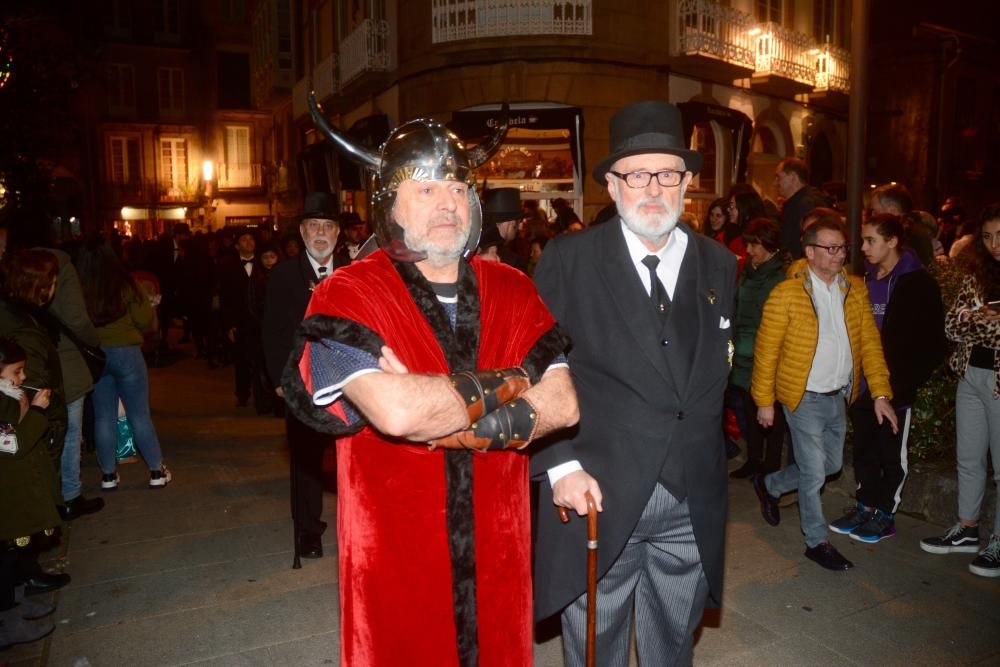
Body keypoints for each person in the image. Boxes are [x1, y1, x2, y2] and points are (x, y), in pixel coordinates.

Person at [285, 100, 578, 664]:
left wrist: (443, 412)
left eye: (457, 187)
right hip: (396, 564)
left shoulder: (511, 288)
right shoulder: (346, 295)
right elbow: (396, 413)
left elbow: (564, 403)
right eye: (424, 189)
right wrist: (521, 382)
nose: (448, 203)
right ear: (387, 203)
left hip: (500, 560)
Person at [532, 100, 737, 665]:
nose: (653, 188)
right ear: (613, 185)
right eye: (636, 174)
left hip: (690, 498)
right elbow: (535, 367)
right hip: (598, 491)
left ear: (687, 181)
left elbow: (712, 370)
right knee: (596, 647)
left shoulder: (719, 263)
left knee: (673, 645)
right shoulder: (568, 260)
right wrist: (562, 467)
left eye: (667, 173)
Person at [750, 213, 897, 571]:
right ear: (810, 251)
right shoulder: (786, 294)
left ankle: (770, 485)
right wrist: (764, 401)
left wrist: (880, 392)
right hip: (802, 397)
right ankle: (816, 542)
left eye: (842, 248)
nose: (839, 255)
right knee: (815, 473)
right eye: (830, 248)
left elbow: (870, 345)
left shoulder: (855, 290)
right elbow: (766, 350)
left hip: (838, 396)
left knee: (829, 465)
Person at [827, 214, 947, 543]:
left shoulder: (917, 283)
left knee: (892, 456)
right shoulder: (863, 279)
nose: (863, 248)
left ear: (892, 241)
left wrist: (905, 382)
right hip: (862, 385)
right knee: (865, 451)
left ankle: (886, 515)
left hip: (895, 389)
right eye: (862, 241)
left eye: (870, 241)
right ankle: (866, 506)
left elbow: (935, 343)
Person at [262, 192, 346, 559]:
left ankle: (355, 527)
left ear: (338, 233)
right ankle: (308, 531)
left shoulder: (352, 271)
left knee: (348, 457)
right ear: (302, 231)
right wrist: (280, 379)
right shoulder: (283, 274)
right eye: (314, 226)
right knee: (307, 460)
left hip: (347, 380)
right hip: (302, 380)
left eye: (328, 226)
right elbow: (272, 330)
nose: (321, 233)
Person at [920, 203, 1000, 577]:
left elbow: (972, 325)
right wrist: (983, 319)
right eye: (987, 236)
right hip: (970, 376)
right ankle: (967, 529)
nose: (994, 243)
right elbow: (953, 325)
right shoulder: (976, 275)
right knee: (968, 458)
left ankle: (997, 542)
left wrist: (978, 321)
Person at [0, 250, 72, 596]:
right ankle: (22, 579)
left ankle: (25, 575)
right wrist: (42, 410)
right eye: (51, 282)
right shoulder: (19, 323)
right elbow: (25, 381)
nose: (54, 288)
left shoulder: (23, 315)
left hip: (33, 420)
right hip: (31, 421)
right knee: (25, 506)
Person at [75, 238, 170, 490]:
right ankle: (156, 470)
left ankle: (108, 475)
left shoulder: (79, 289)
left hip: (97, 356)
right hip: (127, 353)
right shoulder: (128, 284)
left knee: (104, 417)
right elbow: (144, 321)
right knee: (139, 414)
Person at [0, 338, 58, 649]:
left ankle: (19, 603)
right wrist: (35, 412)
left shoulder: (7, 396)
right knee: (5, 562)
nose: (22, 377)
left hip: (14, 492)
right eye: (17, 371)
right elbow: (11, 446)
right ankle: (9, 622)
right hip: (5, 498)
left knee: (16, 554)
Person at [729, 218, 790, 478]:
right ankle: (754, 459)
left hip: (767, 350)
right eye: (748, 245)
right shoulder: (747, 270)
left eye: (754, 245)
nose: (749, 250)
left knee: (771, 412)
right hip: (742, 350)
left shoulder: (782, 274)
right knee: (748, 408)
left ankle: (772, 465)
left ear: (767, 244)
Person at [219, 231, 268, 412]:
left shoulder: (263, 263)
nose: (249, 242)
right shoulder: (228, 266)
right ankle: (242, 393)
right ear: (237, 246)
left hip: (261, 319)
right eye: (244, 240)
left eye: (251, 238)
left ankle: (263, 395)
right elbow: (225, 297)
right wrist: (229, 324)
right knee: (241, 360)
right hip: (240, 320)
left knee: (262, 358)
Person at [774, 157, 831, 258]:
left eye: (779, 177)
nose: (775, 183)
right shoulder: (800, 202)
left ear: (793, 177)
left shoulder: (806, 205)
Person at [870, 183, 934, 266]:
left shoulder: (911, 237)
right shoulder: (906, 232)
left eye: (875, 211)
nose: (872, 215)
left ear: (893, 210)